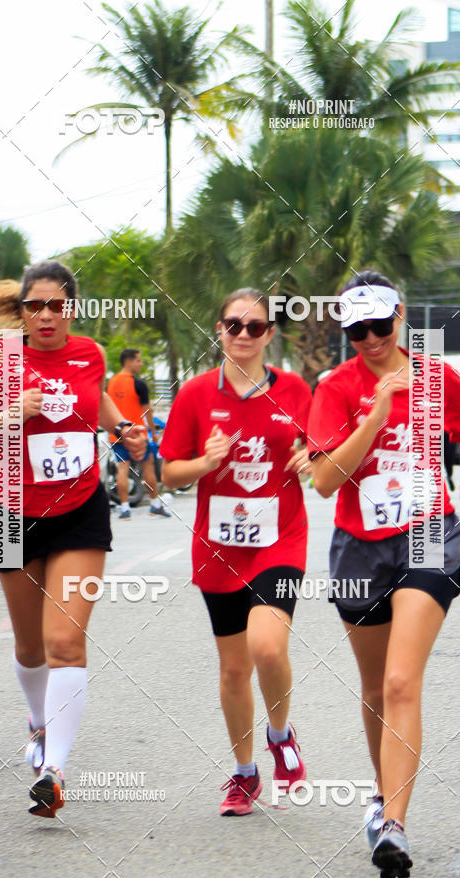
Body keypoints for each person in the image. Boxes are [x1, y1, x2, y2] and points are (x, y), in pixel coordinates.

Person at [0, 260, 146, 817]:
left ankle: (55, 769)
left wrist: (125, 433)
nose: (46, 316)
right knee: (31, 646)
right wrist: (12, 414)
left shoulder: (91, 354)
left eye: (57, 305)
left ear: (72, 308)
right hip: (12, 511)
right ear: (23, 311)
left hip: (80, 510)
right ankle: (39, 724)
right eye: (35, 306)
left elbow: (101, 410)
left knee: (64, 643)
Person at [308, 271, 460, 877]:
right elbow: (326, 480)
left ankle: (394, 827)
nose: (370, 339)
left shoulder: (435, 372)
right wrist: (377, 411)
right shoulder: (334, 386)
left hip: (429, 533)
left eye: (380, 326)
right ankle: (383, 794)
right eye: (356, 330)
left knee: (403, 681)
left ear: (400, 315)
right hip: (360, 545)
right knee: (377, 687)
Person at [161, 288, 312, 816]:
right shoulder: (197, 394)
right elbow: (165, 474)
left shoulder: (295, 390)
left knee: (267, 648)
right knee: (232, 671)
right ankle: (245, 774)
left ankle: (279, 734)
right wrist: (203, 464)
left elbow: (320, 452)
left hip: (280, 538)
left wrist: (307, 460)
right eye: (233, 325)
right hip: (219, 547)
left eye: (254, 327)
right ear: (219, 330)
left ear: (269, 334)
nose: (243, 335)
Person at [107, 348, 170, 519]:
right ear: (129, 362)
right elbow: (147, 410)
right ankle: (155, 505)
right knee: (148, 467)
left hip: (118, 434)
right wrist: (153, 432)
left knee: (122, 469)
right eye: (138, 360)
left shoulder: (111, 383)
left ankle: (125, 508)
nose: (140, 364)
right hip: (138, 435)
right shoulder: (138, 384)